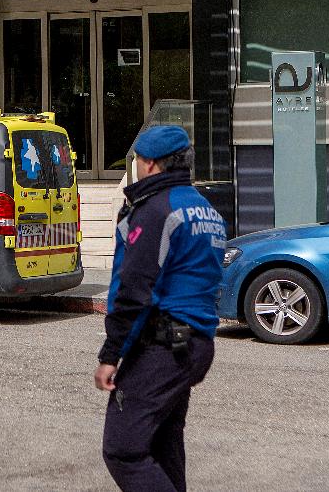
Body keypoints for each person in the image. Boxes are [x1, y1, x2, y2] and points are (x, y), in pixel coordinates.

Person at [94, 125, 227, 492]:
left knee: (124, 449)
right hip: (195, 344)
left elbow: (135, 289)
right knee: (164, 443)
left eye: (136, 159)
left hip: (162, 345)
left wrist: (111, 354)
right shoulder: (206, 209)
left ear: (150, 164)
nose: (134, 166)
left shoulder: (156, 211)